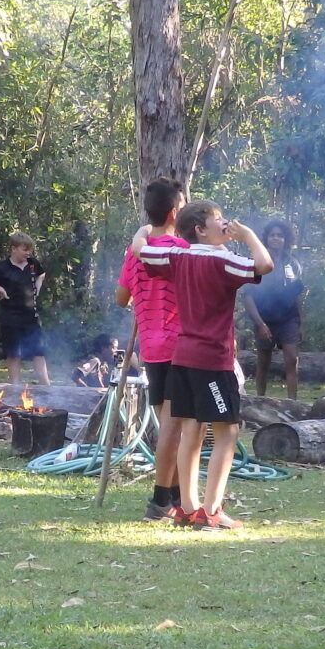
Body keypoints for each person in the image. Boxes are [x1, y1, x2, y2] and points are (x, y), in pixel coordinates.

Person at [139, 201, 274, 530]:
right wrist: (249, 235)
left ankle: (187, 508)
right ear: (200, 229)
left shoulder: (178, 256)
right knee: (227, 432)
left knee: (192, 430)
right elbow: (265, 265)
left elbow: (143, 254)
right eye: (219, 220)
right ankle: (211, 511)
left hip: (182, 357)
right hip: (212, 359)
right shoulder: (223, 259)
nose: (226, 223)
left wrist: (140, 234)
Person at [116, 177, 189, 520]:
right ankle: (160, 499)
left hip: (151, 347)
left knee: (168, 424)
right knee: (175, 426)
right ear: (175, 211)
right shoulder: (182, 249)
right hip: (180, 346)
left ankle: (173, 493)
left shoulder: (136, 250)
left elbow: (120, 298)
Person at [242, 218, 305, 400]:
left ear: (285, 239)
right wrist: (260, 324)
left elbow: (297, 295)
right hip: (264, 319)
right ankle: (260, 401)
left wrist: (301, 323)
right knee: (263, 362)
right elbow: (248, 297)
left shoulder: (292, 264)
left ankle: (293, 403)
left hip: (288, 320)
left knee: (292, 360)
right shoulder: (257, 262)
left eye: (280, 235)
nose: (276, 239)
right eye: (272, 235)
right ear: (266, 238)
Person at [0, 233, 50, 386]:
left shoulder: (32, 264)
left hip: (32, 317)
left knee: (38, 352)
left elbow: (41, 274)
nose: (28, 253)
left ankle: (46, 385)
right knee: (13, 353)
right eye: (25, 249)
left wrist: (37, 288)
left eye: (30, 250)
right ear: (14, 249)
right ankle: (15, 387)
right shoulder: (2, 268)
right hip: (11, 317)